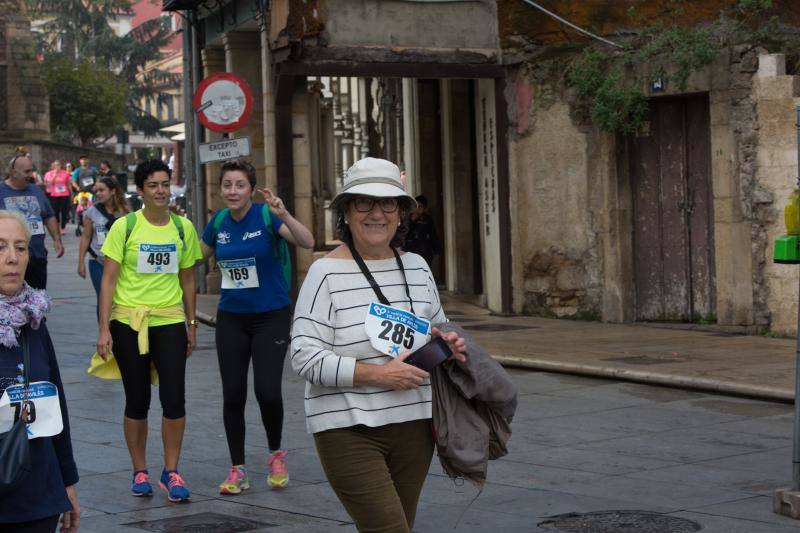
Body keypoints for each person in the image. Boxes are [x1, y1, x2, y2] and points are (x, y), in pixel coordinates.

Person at [290, 157, 466, 533]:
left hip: (416, 427)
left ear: (401, 213)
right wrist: (377, 375)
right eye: (363, 202)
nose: (377, 213)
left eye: (388, 203)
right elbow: (303, 356)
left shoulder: (418, 267)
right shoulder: (325, 273)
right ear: (347, 212)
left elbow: (437, 326)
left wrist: (447, 343)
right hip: (348, 428)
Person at [199, 159, 314, 495]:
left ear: (251, 189)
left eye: (240, 185)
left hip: (271, 316)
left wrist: (284, 214)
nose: (233, 191)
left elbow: (306, 241)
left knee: (267, 391)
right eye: (227, 185)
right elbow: (192, 258)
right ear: (220, 189)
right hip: (231, 318)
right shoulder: (218, 222)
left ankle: (276, 453)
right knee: (233, 394)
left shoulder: (265, 216)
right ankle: (237, 469)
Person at [95, 159, 202, 503]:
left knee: (174, 398)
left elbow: (188, 278)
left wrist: (191, 322)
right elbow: (108, 281)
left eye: (165, 184)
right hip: (128, 322)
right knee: (137, 399)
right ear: (140, 190)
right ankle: (139, 469)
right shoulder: (125, 227)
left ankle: (171, 471)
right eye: (153, 185)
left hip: (169, 321)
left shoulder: (183, 228)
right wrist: (103, 329)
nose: (160, 191)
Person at [0, 210, 80, 532]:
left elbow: (55, 402)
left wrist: (68, 482)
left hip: (39, 499)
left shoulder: (33, 319)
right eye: (0, 247)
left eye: (20, 248)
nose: (12, 258)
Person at [2, 155, 65, 290]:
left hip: (37, 256)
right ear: (14, 173)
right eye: (27, 172)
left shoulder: (36, 190)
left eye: (31, 170)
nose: (31, 175)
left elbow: (49, 216)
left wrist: (57, 239)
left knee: (37, 300)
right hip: (9, 259)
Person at [78, 177, 129, 307]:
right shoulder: (92, 212)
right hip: (98, 261)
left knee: (119, 298)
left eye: (102, 190)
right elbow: (86, 237)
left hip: (119, 262)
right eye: (97, 191)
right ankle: (103, 327)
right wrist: (81, 263)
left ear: (112, 191)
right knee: (103, 297)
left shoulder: (125, 212)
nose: (98, 194)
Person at [402, 195, 441, 267]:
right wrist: (412, 221)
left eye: (420, 207)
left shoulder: (428, 220)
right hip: (409, 252)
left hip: (424, 253)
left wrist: (436, 251)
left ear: (424, 208)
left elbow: (433, 235)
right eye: (416, 206)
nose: (417, 209)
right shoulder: (407, 218)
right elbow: (403, 233)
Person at [43, 160, 71, 235]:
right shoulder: (51, 173)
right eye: (55, 165)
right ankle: (57, 227)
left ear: (60, 165)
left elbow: (68, 184)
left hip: (64, 194)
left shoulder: (65, 173)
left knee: (64, 212)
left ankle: (63, 228)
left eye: (58, 165)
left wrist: (71, 194)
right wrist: (55, 175)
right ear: (53, 166)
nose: (57, 166)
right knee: (55, 212)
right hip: (55, 195)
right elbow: (50, 184)